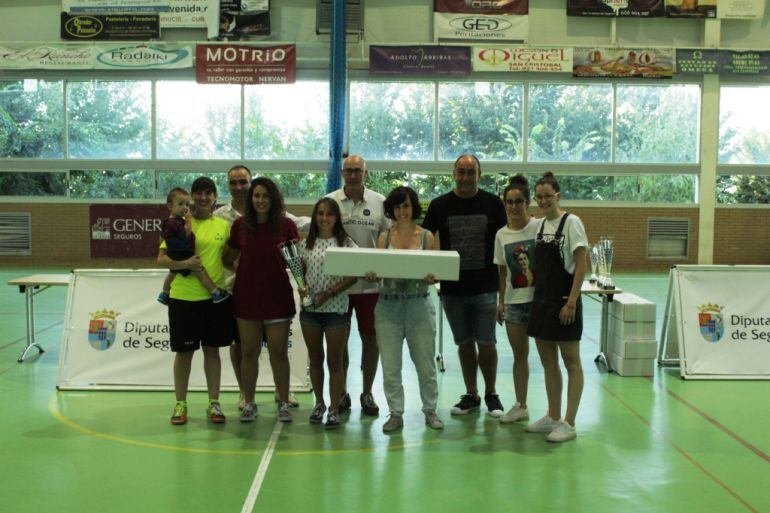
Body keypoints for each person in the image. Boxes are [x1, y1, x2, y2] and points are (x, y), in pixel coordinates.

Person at [214, 165, 306, 411]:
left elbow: (295, 262)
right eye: (257, 196)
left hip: (278, 298)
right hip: (246, 299)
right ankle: (249, 402)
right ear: (251, 198)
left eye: (265, 196)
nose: (261, 200)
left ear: (273, 199)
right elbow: (226, 258)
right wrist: (245, 273)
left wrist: (303, 286)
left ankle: (284, 401)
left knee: (278, 353)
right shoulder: (240, 226)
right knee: (249, 353)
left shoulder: (286, 226)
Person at [422, 154, 507, 418]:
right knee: (464, 343)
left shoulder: (494, 204)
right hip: (453, 291)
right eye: (461, 172)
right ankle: (472, 394)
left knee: (487, 342)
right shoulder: (439, 205)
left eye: (471, 172)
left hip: (485, 288)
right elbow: (425, 239)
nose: (466, 177)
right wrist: (429, 268)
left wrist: (505, 293)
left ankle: (492, 393)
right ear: (454, 174)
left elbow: (506, 242)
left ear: (479, 175)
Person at [368, 187, 444, 434]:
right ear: (392, 209)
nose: (402, 211)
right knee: (390, 365)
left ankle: (430, 410)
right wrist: (372, 274)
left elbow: (435, 271)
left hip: (418, 303)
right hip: (388, 305)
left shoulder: (427, 237)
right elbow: (377, 270)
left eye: (407, 206)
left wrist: (434, 277)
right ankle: (396, 413)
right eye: (398, 207)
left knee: (425, 363)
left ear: (414, 208)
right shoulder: (383, 238)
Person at [158, 177, 233, 426]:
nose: (203, 197)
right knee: (184, 355)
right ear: (191, 197)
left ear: (214, 197)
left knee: (212, 352)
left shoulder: (223, 225)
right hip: (184, 299)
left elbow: (229, 260)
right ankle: (180, 404)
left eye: (208, 193)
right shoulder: (177, 225)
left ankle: (214, 402)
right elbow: (162, 259)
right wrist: (184, 265)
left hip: (214, 301)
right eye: (198, 193)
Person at [525, 172, 588, 443]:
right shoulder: (538, 226)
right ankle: (552, 415)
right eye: (539, 197)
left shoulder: (571, 222)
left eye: (547, 196)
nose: (543, 201)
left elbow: (582, 264)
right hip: (542, 302)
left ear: (557, 196)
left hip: (564, 302)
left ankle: (569, 422)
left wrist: (571, 302)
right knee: (548, 361)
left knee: (571, 362)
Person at [326, 155, 389, 416]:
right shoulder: (331, 201)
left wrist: (384, 269)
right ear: (342, 173)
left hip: (370, 287)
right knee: (338, 343)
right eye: (348, 171)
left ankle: (367, 392)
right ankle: (341, 393)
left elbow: (388, 237)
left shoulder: (380, 202)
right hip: (339, 285)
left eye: (357, 171)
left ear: (366, 173)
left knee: (370, 339)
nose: (352, 175)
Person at [299, 198, 358, 429]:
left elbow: (354, 276)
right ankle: (320, 403)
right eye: (320, 213)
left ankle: (334, 408)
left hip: (336, 311)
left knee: (335, 362)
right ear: (315, 217)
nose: (325, 218)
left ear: (337, 218)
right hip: (310, 311)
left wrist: (331, 292)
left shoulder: (346, 243)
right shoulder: (305, 244)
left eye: (329, 214)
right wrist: (301, 286)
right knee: (315, 359)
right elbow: (300, 273)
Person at [493, 175, 540, 424]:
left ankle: (555, 411)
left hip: (540, 301)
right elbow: (502, 271)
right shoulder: (501, 235)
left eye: (518, 201)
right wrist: (501, 302)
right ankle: (521, 405)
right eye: (509, 202)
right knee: (519, 354)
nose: (513, 206)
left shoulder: (539, 227)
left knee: (549, 356)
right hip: (514, 303)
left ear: (528, 203)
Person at [158, 187, 229, 306]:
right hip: (182, 254)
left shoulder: (222, 225)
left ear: (215, 197)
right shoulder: (175, 222)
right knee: (199, 270)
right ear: (170, 206)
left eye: (186, 204)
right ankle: (215, 292)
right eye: (180, 204)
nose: (184, 207)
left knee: (173, 272)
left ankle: (164, 293)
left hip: (177, 253)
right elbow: (186, 233)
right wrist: (189, 220)